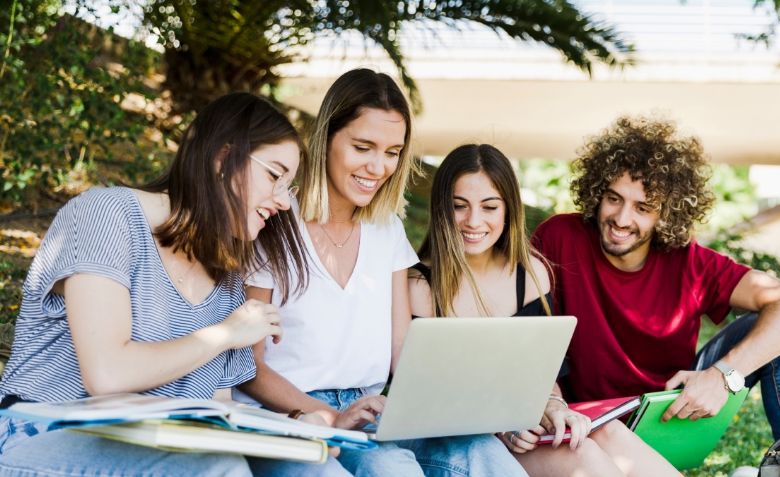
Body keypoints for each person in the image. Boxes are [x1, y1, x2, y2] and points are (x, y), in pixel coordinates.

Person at [0, 92, 350, 476]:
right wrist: (225, 333)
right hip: (36, 435)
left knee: (314, 470)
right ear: (222, 158)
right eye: (274, 176)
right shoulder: (106, 215)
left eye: (289, 186)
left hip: (163, 445)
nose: (284, 201)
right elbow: (108, 375)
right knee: (217, 468)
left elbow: (215, 410)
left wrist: (294, 428)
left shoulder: (227, 280)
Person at [236, 70, 527, 477]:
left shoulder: (386, 228)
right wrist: (327, 413)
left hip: (372, 411)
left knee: (482, 453)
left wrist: (468, 405)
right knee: (391, 469)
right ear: (326, 139)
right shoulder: (274, 224)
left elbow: (402, 350)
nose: (378, 166)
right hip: (290, 415)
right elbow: (246, 366)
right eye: (363, 147)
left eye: (393, 152)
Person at [532, 115, 780, 441]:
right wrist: (551, 399)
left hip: (668, 417)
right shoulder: (559, 237)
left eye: (643, 207)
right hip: (586, 425)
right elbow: (526, 330)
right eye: (614, 198)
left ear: (666, 213)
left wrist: (722, 376)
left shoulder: (691, 262)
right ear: (597, 193)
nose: (622, 219)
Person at [408, 144, 681, 477]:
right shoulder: (421, 286)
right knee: (584, 460)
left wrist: (553, 405)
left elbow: (544, 376)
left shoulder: (531, 273)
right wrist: (503, 426)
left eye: (490, 207)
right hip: (460, 442)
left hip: (522, 428)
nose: (474, 221)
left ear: (509, 210)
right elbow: (428, 399)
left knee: (608, 433)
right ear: (441, 209)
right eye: (459, 206)